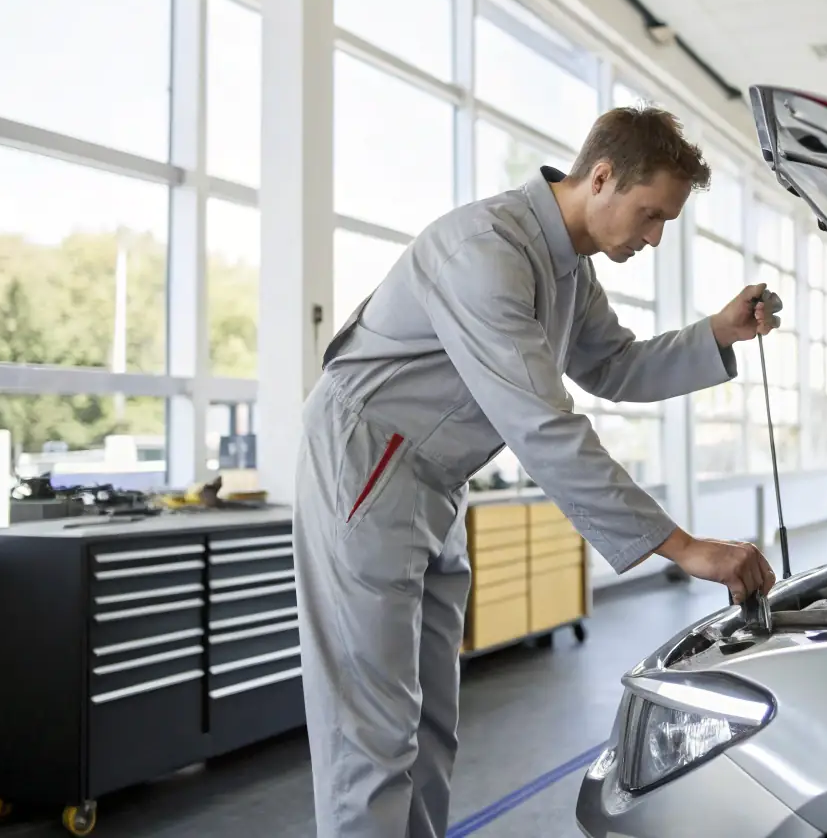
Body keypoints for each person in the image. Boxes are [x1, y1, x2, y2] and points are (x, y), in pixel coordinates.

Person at [293, 104, 783, 838]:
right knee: (369, 732)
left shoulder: (567, 268)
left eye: (665, 224)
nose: (653, 238)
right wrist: (684, 547)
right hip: (365, 466)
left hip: (431, 478)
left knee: (428, 725)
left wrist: (715, 333)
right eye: (650, 216)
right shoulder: (483, 251)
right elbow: (541, 425)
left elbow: (611, 366)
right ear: (602, 176)